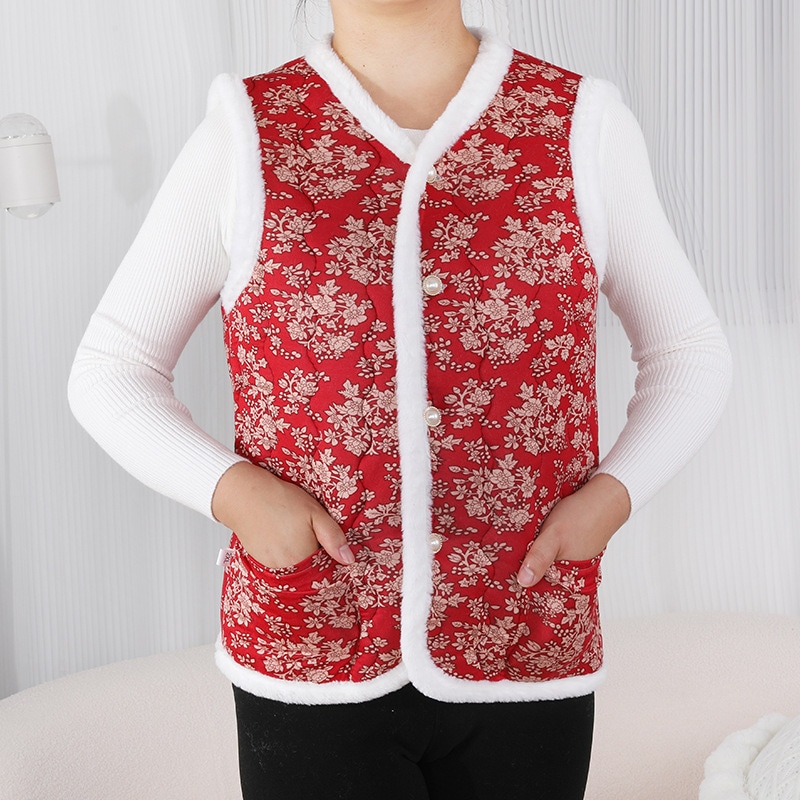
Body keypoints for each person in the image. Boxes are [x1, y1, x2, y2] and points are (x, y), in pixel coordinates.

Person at [68, 1, 732, 798]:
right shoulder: (246, 133)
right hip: (314, 644)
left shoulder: (581, 124)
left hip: (525, 634)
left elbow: (688, 354)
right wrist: (239, 496)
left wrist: (611, 500)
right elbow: (113, 368)